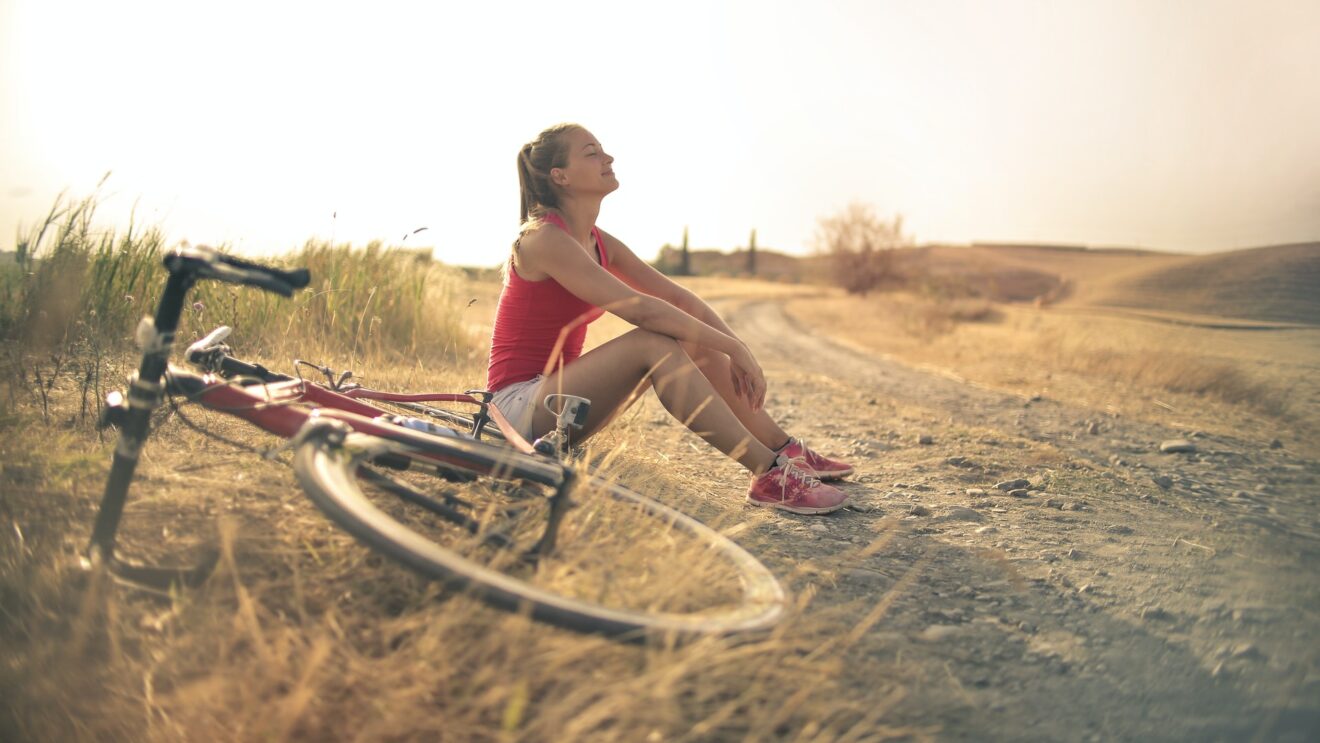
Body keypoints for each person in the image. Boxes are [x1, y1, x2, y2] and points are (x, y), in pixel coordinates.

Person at [486, 123, 854, 515]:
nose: (607, 158)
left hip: (563, 406)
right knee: (653, 341)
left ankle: (785, 450)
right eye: (591, 153)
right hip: (515, 409)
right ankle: (768, 473)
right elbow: (641, 308)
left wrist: (734, 348)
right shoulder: (543, 239)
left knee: (695, 338)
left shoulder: (598, 241)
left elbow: (677, 297)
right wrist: (731, 347)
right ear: (560, 176)